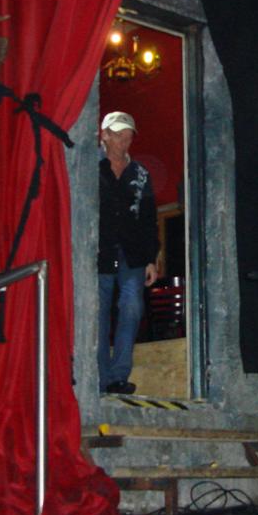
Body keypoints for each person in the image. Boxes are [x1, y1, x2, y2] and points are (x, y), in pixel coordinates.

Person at [98, 111, 159, 394]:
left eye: (128, 136)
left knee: (132, 307)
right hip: (99, 252)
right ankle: (100, 377)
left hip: (132, 253)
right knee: (98, 313)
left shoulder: (140, 173)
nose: (123, 141)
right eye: (118, 135)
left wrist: (151, 259)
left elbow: (149, 217)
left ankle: (118, 376)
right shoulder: (90, 166)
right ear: (105, 135)